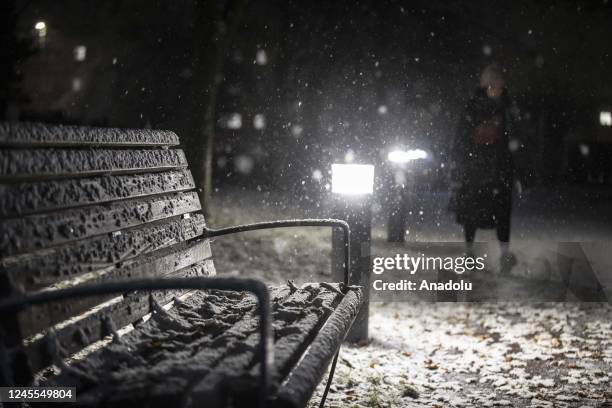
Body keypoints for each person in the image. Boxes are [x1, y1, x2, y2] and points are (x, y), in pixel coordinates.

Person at [451, 64, 517, 271]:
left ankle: (504, 254)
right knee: (472, 210)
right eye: (495, 83)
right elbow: (463, 135)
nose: (498, 87)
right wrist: (461, 161)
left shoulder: (506, 107)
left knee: (501, 212)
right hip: (477, 167)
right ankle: (470, 252)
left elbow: (513, 135)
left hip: (498, 168)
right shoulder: (475, 106)